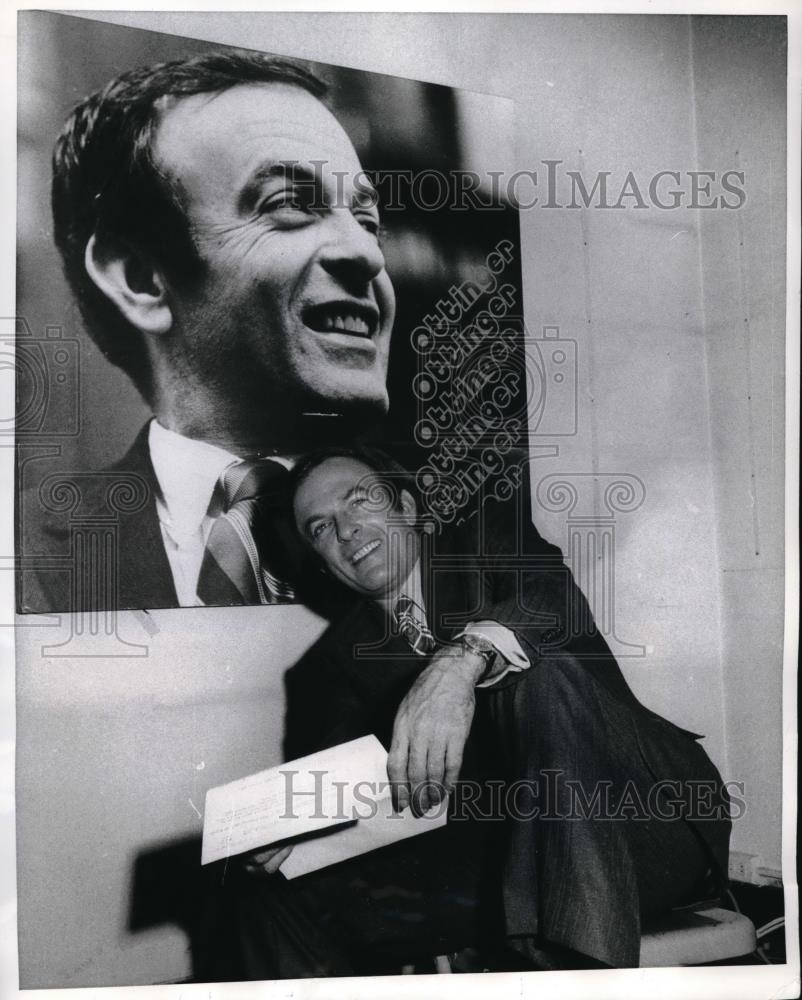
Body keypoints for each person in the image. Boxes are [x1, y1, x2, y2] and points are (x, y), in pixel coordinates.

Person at [216, 445, 732, 978]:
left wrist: (462, 659)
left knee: (537, 676)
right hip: (496, 862)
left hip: (645, 823)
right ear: (320, 561)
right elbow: (350, 797)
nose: (345, 530)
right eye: (320, 527)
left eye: (359, 501)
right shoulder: (325, 670)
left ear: (409, 509)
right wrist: (294, 827)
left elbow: (553, 598)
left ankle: (574, 973)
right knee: (274, 896)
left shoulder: (489, 542)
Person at [18, 50, 394, 613]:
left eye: (368, 221)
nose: (366, 252)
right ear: (141, 279)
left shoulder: (476, 522)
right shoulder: (20, 552)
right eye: (289, 204)